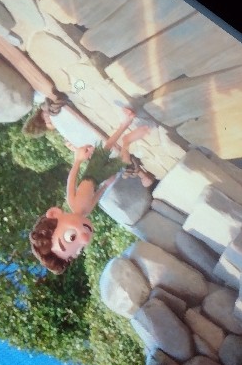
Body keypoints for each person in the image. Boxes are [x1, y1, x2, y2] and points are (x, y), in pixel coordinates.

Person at [29, 107, 155, 275]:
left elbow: (71, 181)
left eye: (71, 237)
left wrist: (77, 160)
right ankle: (126, 138)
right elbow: (97, 196)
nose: (85, 239)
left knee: (108, 148)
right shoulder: (86, 211)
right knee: (121, 159)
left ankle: (125, 127)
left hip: (91, 173)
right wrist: (106, 185)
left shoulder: (73, 202)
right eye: (79, 249)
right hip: (99, 178)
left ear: (55, 214)